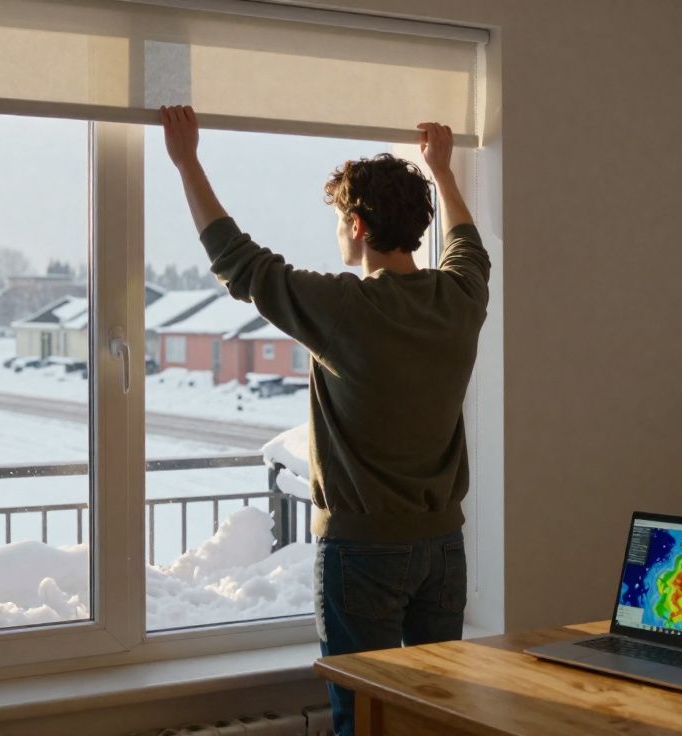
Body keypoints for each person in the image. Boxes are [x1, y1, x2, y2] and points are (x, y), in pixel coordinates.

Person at [160, 105, 490, 735]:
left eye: (341, 220)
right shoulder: (461, 298)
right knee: (439, 716)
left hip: (364, 550)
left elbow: (240, 263)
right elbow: (468, 246)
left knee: (361, 721)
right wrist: (443, 174)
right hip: (445, 547)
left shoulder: (344, 308)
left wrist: (187, 162)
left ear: (358, 225)